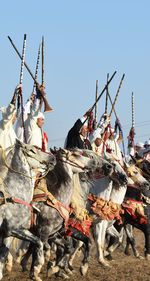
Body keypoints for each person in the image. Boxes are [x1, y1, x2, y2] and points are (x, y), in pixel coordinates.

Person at [25, 85, 49, 152]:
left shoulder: (39, 128)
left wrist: (41, 94)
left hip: (38, 152)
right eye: (42, 119)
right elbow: (35, 108)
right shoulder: (32, 121)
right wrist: (38, 95)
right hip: (30, 151)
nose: (43, 122)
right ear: (37, 118)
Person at [0, 84, 22, 151]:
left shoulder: (10, 129)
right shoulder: (5, 124)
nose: (15, 118)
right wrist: (15, 94)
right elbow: (10, 110)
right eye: (14, 116)